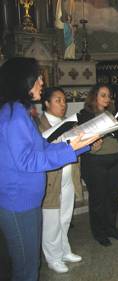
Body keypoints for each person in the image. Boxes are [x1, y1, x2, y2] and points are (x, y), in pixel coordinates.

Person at [0, 57, 98, 281]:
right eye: (37, 77)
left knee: (29, 264)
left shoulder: (20, 112)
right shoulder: (14, 115)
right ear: (22, 81)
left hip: (27, 199)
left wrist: (76, 146)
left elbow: (42, 146)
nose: (42, 82)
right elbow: (27, 160)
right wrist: (70, 149)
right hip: (18, 201)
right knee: (26, 268)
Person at [37, 87, 95, 273]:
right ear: (46, 103)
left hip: (68, 176)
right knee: (51, 221)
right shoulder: (39, 125)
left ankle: (64, 250)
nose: (63, 104)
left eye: (64, 100)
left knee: (64, 219)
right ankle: (52, 257)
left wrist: (90, 143)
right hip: (51, 180)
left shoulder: (68, 124)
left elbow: (74, 148)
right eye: (58, 100)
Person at [79, 84, 118, 247]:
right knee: (98, 200)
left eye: (108, 95)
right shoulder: (85, 115)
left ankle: (111, 229)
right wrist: (90, 146)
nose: (107, 98)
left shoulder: (112, 115)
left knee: (112, 199)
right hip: (95, 163)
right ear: (94, 96)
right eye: (103, 95)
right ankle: (99, 233)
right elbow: (80, 141)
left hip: (115, 161)